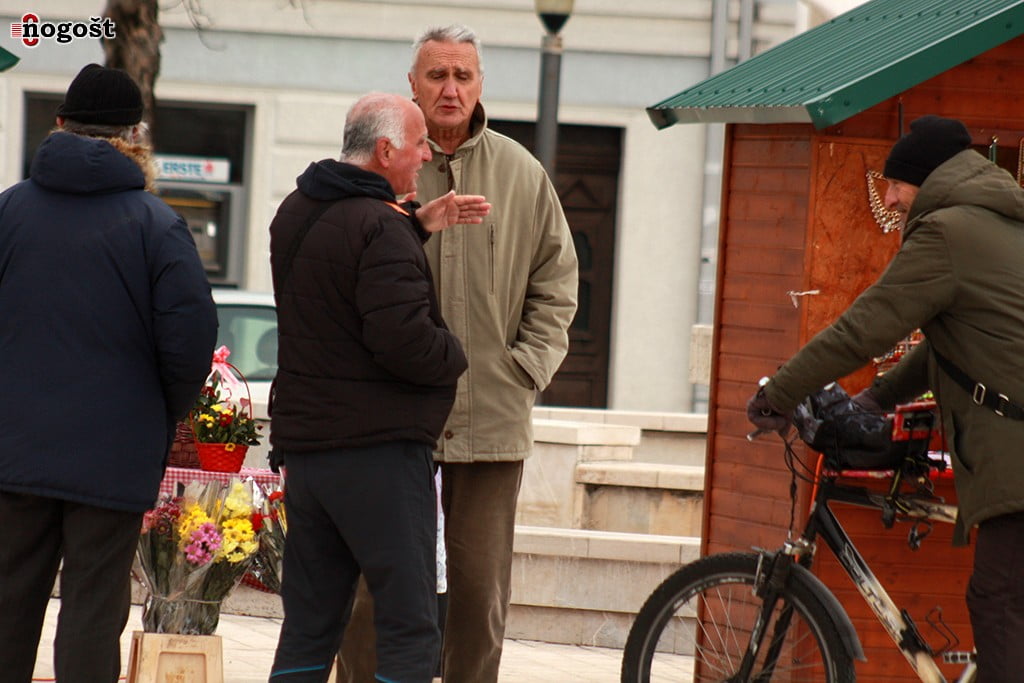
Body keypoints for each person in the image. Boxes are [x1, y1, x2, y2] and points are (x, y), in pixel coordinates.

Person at [340, 24, 580, 683]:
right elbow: (336, 271)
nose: (450, 89)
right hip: (387, 419)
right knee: (369, 594)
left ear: (479, 86)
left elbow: (558, 282)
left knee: (479, 598)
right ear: (412, 84)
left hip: (490, 417)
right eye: (437, 75)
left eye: (463, 76)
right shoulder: (379, 170)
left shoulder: (521, 173)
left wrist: (525, 368)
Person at [746, 114, 1024, 680]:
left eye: (896, 183)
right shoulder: (996, 220)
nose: (890, 198)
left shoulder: (946, 233)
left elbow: (864, 329)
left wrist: (781, 391)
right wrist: (875, 399)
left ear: (927, 178)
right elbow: (948, 343)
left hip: (1015, 452)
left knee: (998, 601)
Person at [0, 63, 218, 681]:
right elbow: (191, 339)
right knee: (93, 613)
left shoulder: (9, 211)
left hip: (14, 447)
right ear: (135, 136)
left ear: (59, 124)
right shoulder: (157, 224)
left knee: (7, 603)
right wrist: (158, 413)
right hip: (115, 452)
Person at [266, 92, 491, 682]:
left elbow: (339, 278)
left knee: (310, 623)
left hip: (308, 453)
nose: (427, 155)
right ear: (386, 151)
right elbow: (405, 343)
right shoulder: (380, 227)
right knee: (409, 623)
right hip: (379, 455)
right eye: (418, 144)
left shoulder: (296, 209)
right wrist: (459, 354)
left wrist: (414, 226)